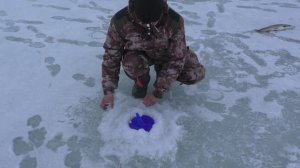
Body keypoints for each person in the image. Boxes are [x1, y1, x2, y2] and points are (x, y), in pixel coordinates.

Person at [101, 0, 205, 110]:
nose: (149, 25)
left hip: (165, 54)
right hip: (138, 56)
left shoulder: (175, 21)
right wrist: (108, 90)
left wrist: (158, 92)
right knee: (131, 63)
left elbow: (177, 58)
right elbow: (111, 55)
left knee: (195, 73)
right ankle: (142, 81)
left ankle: (162, 73)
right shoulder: (120, 21)